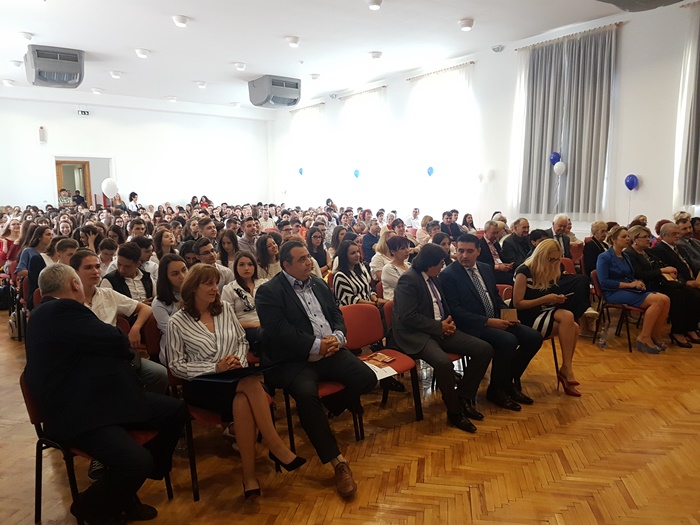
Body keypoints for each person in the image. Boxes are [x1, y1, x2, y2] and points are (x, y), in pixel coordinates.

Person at [25, 263, 187, 524]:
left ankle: (127, 489)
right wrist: (117, 347)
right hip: (80, 414)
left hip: (104, 401)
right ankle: (89, 507)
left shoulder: (46, 313)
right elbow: (116, 340)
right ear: (75, 284)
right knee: (136, 461)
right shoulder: (61, 309)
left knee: (174, 410)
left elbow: (104, 345)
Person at [167, 264, 304, 500]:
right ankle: (275, 445)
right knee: (250, 383)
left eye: (216, 283)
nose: (215, 288)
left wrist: (237, 362)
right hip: (203, 384)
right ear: (193, 288)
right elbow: (176, 365)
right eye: (208, 284)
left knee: (242, 400)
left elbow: (242, 342)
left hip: (234, 378)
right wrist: (215, 368)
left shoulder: (225, 310)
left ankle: (249, 477)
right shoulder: (177, 322)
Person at [255, 240, 377, 498]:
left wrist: (338, 338)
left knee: (367, 378)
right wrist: (317, 345)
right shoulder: (269, 292)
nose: (308, 262)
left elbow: (336, 314)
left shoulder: (319, 283)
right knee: (307, 397)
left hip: (330, 351)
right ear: (286, 265)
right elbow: (279, 332)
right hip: (294, 360)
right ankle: (337, 462)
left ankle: (329, 407)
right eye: (301, 259)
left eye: (308, 257)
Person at [391, 244, 493, 432]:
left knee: (483, 349)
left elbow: (441, 306)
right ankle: (455, 412)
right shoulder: (409, 280)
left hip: (439, 329)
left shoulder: (434, 277)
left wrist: (448, 322)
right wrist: (439, 327)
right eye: (440, 263)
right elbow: (408, 317)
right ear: (429, 264)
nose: (442, 267)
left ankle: (463, 397)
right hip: (417, 334)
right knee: (444, 363)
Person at [440, 234, 543, 410]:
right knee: (507, 340)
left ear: (478, 251)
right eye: (460, 251)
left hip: (495, 318)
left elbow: (495, 298)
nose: (464, 255)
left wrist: (508, 316)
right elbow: (456, 312)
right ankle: (496, 390)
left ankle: (507, 382)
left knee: (534, 337)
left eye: (469, 251)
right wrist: (489, 322)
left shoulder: (485, 268)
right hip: (471, 325)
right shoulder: (448, 275)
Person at [72, 249, 168, 394]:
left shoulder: (107, 294)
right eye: (88, 268)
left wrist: (135, 329)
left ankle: (142, 404)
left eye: (97, 267)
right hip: (88, 355)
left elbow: (145, 308)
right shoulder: (69, 301)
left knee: (159, 374)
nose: (95, 272)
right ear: (75, 272)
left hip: (114, 352)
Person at [513, 239, 582, 396]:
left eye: (557, 259)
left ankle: (566, 368)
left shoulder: (552, 268)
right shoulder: (524, 271)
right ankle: (566, 370)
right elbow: (518, 303)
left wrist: (555, 299)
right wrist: (546, 299)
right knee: (571, 323)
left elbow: (546, 297)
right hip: (525, 316)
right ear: (541, 256)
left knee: (573, 324)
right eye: (551, 260)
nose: (555, 263)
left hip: (543, 311)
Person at [597, 226, 671, 353]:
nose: (628, 239)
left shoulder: (625, 256)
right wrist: (630, 285)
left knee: (666, 299)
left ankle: (655, 335)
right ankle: (644, 337)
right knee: (657, 300)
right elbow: (604, 282)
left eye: (628, 236)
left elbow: (630, 276)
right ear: (614, 239)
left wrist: (637, 282)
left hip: (628, 289)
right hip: (613, 292)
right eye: (624, 237)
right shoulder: (604, 257)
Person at [624, 225, 700, 348]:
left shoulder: (648, 251)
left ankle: (690, 328)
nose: (648, 239)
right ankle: (677, 331)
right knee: (678, 295)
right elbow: (640, 274)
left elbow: (659, 265)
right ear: (635, 239)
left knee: (692, 293)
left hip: (660, 281)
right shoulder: (630, 254)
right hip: (646, 285)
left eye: (648, 236)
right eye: (645, 237)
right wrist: (662, 271)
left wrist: (668, 271)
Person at [221, 251, 268, 356]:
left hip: (267, 324)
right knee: (266, 334)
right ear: (236, 268)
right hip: (244, 329)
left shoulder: (264, 284)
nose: (246, 268)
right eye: (242, 265)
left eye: (250, 264)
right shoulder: (229, 289)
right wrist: (255, 324)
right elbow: (228, 320)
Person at [151, 254, 188, 364]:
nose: (182, 276)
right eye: (175, 274)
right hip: (176, 348)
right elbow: (173, 332)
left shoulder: (197, 292)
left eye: (184, 270)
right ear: (166, 278)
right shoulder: (159, 303)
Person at [333, 240, 385, 307]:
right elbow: (351, 300)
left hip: (370, 305)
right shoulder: (340, 276)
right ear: (344, 256)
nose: (357, 255)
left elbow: (369, 290)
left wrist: (375, 300)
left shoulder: (360, 271)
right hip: (354, 310)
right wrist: (374, 304)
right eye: (353, 253)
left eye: (358, 251)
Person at [478, 220, 513, 285]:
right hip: (491, 272)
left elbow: (501, 257)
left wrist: (508, 264)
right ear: (485, 232)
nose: (496, 235)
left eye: (497, 233)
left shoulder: (495, 243)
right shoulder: (480, 245)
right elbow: (480, 263)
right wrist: (498, 267)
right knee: (514, 279)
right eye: (493, 233)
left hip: (502, 269)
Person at [381, 236, 411, 301]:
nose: (407, 250)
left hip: (409, 299)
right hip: (396, 302)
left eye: (407, 247)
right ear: (393, 252)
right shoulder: (388, 268)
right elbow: (405, 286)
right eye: (402, 248)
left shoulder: (409, 265)